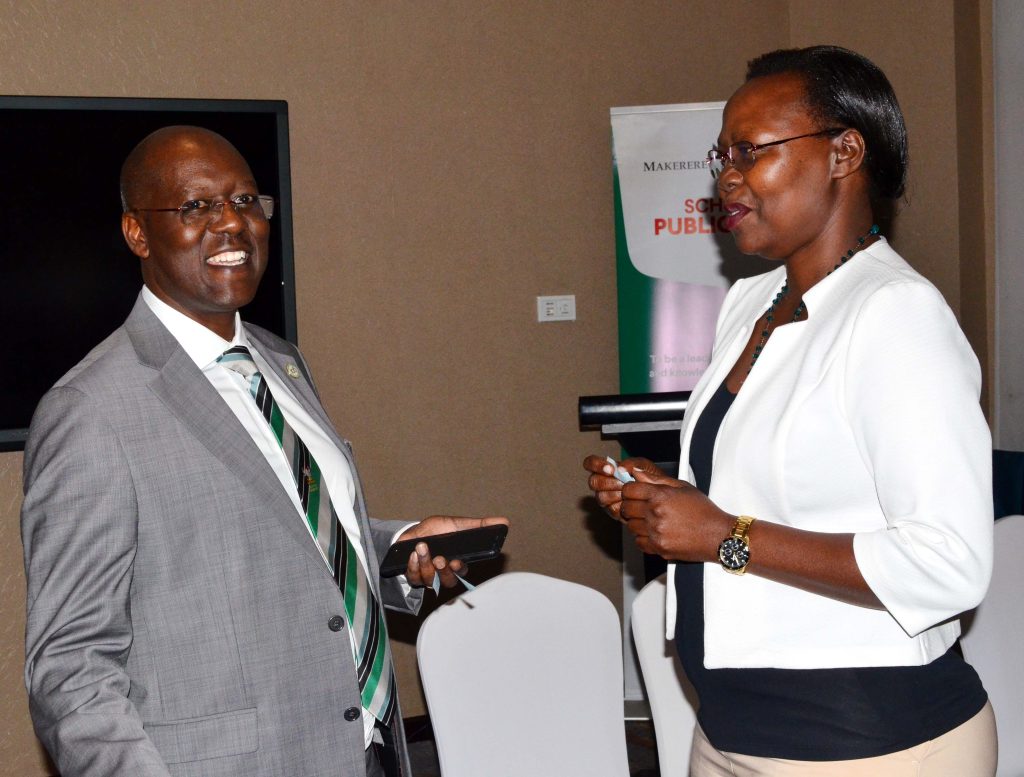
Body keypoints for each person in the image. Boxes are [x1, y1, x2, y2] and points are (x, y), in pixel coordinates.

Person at [21, 125, 508, 777]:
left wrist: (400, 548)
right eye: (196, 207)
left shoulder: (282, 361)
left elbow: (298, 535)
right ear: (137, 232)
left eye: (247, 201)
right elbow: (69, 668)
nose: (232, 223)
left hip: (365, 748)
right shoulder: (90, 411)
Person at [585, 46, 996, 776]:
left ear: (844, 153)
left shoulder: (895, 314)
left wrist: (722, 535)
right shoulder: (750, 302)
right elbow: (771, 497)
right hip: (733, 732)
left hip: (870, 745)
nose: (725, 176)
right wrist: (674, 502)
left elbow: (948, 562)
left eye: (750, 150)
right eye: (722, 153)